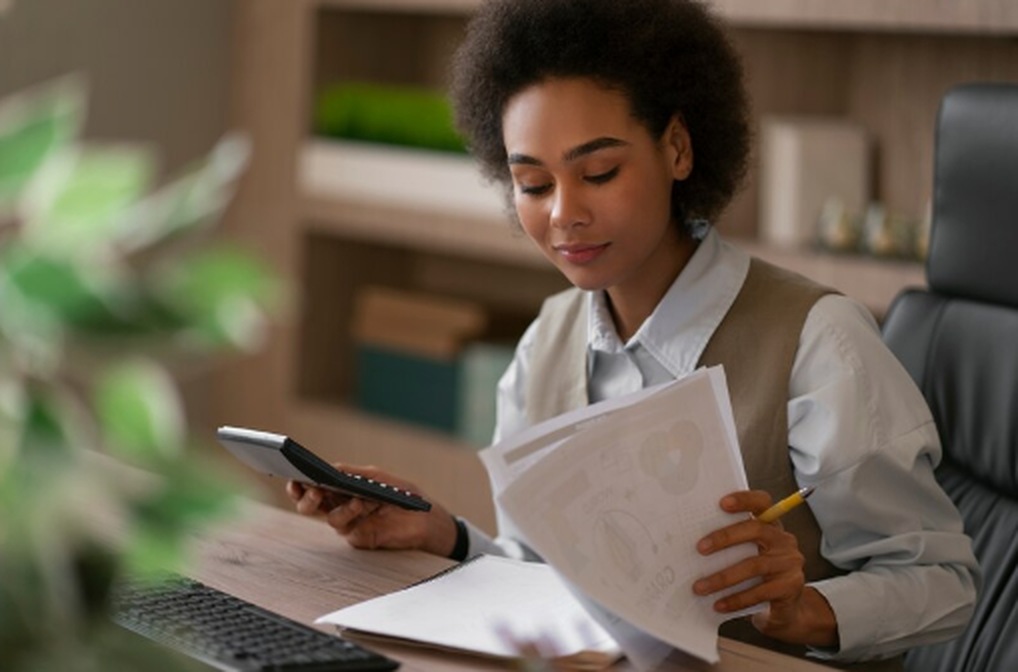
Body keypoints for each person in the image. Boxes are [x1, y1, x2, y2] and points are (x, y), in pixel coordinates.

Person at [287, 0, 978, 668]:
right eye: (532, 184)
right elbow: (549, 581)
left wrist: (808, 610)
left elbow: (944, 583)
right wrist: (445, 535)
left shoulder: (818, 343)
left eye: (599, 173)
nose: (564, 215)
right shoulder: (545, 346)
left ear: (677, 148)